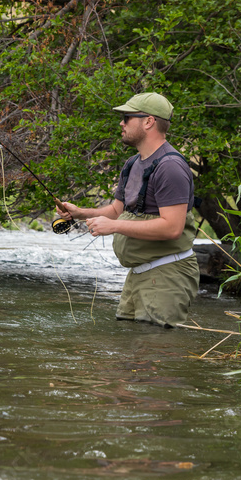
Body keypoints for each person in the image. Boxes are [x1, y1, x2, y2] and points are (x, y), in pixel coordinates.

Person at [56, 92, 199, 327]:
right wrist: (81, 213)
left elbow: (173, 228)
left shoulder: (170, 167)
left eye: (127, 117)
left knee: (156, 350)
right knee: (130, 345)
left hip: (166, 274)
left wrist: (113, 227)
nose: (121, 124)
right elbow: (116, 210)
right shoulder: (133, 163)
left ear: (148, 121)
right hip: (139, 275)